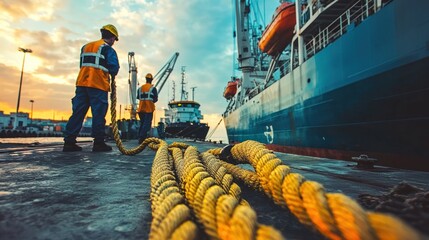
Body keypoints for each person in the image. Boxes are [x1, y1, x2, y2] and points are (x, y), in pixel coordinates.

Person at [63, 24, 120, 152]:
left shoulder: (85, 47)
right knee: (98, 114)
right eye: (114, 40)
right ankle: (98, 143)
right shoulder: (108, 49)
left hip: (82, 84)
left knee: (78, 113)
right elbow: (114, 69)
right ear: (112, 38)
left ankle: (69, 142)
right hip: (98, 85)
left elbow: (82, 65)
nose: (113, 43)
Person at [137, 73, 158, 144]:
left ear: (146, 79)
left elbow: (138, 97)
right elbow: (155, 99)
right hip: (149, 108)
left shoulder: (140, 88)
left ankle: (140, 136)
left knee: (142, 123)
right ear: (151, 80)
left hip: (141, 109)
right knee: (147, 124)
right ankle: (142, 138)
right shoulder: (153, 88)